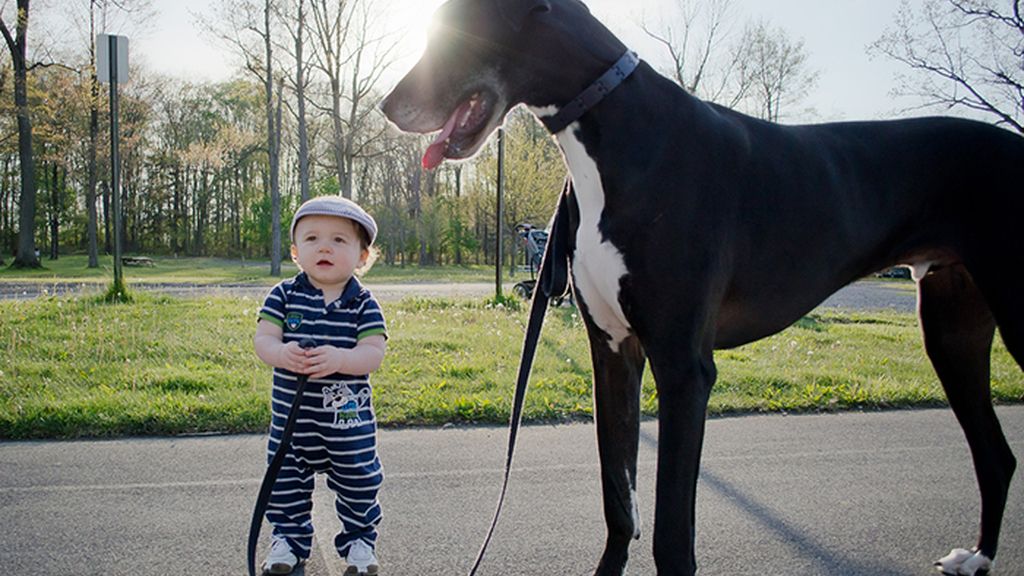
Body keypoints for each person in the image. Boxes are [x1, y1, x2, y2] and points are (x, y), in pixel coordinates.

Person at [254, 196, 387, 576]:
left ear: (363, 257)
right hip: (293, 426)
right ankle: (288, 540)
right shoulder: (283, 296)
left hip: (348, 426)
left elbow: (373, 353)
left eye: (339, 240)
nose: (324, 248)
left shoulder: (363, 304)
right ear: (296, 252)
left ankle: (360, 541)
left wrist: (342, 360)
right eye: (312, 239)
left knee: (359, 483)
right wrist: (281, 353)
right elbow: (263, 340)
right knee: (284, 485)